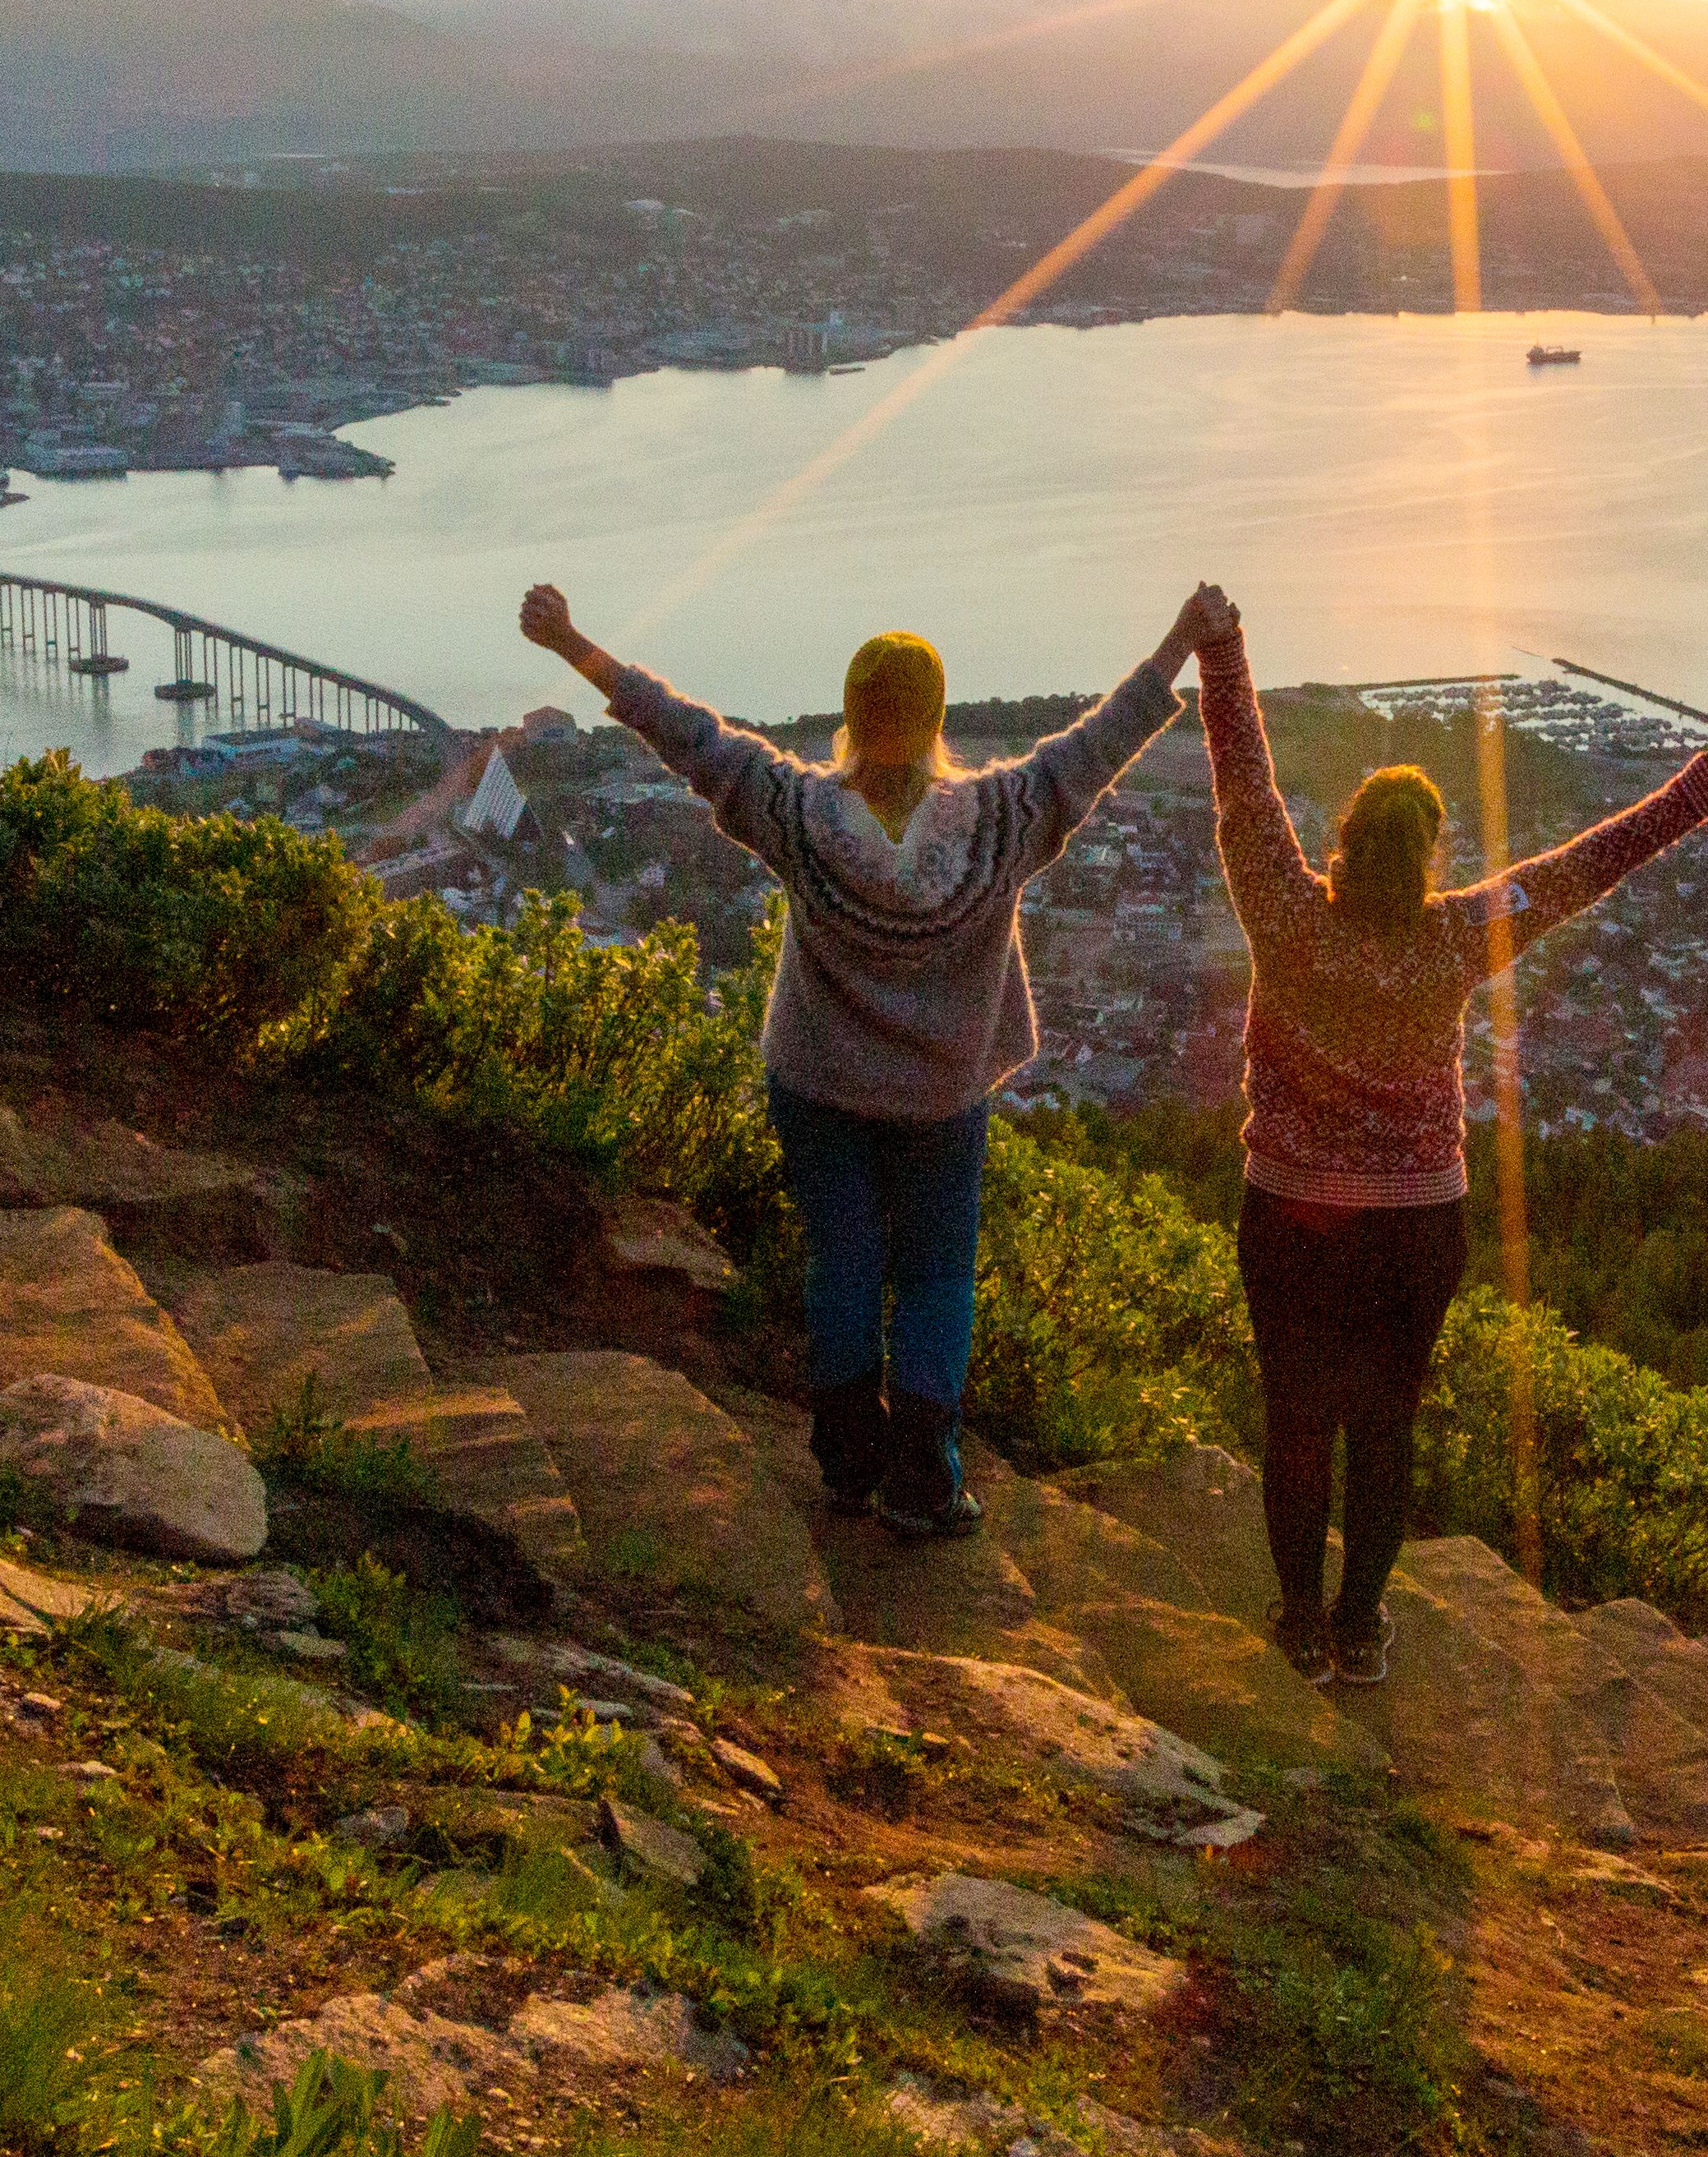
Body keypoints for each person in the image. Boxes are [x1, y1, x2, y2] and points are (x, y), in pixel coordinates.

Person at [520, 581, 1218, 1537]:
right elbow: (1099, 746)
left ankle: (847, 1464)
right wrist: (1181, 637)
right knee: (935, 1277)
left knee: (842, 1262)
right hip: (941, 1097)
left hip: (819, 1086)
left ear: (849, 718)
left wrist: (574, 645)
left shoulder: (800, 817)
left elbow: (687, 737)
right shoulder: (1000, 822)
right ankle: (923, 1481)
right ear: (938, 719)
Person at [1195, 601, 1708, 1685]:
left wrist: (1223, 653)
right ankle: (1361, 1631)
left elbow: (1244, 791)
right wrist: (1690, 794)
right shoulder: (1461, 931)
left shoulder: (1283, 908)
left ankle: (1303, 1629)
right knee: (1385, 1422)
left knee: (1300, 1417)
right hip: (1416, 1225)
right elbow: (1583, 870)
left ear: (1345, 846)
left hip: (1295, 1214)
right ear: (1429, 859)